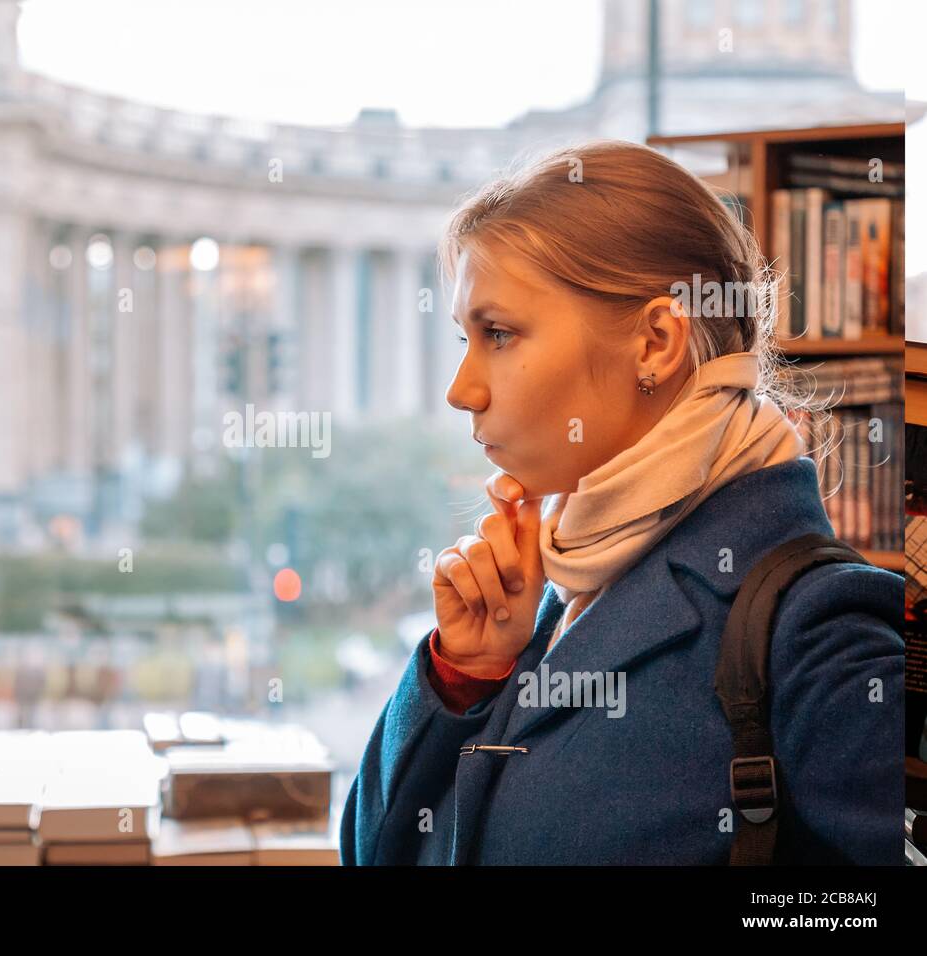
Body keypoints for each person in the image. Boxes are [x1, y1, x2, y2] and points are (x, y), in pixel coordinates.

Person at [339, 140, 905, 865]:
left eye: (500, 334)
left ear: (656, 342)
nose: (461, 389)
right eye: (465, 339)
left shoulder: (818, 633)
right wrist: (463, 676)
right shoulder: (567, 588)